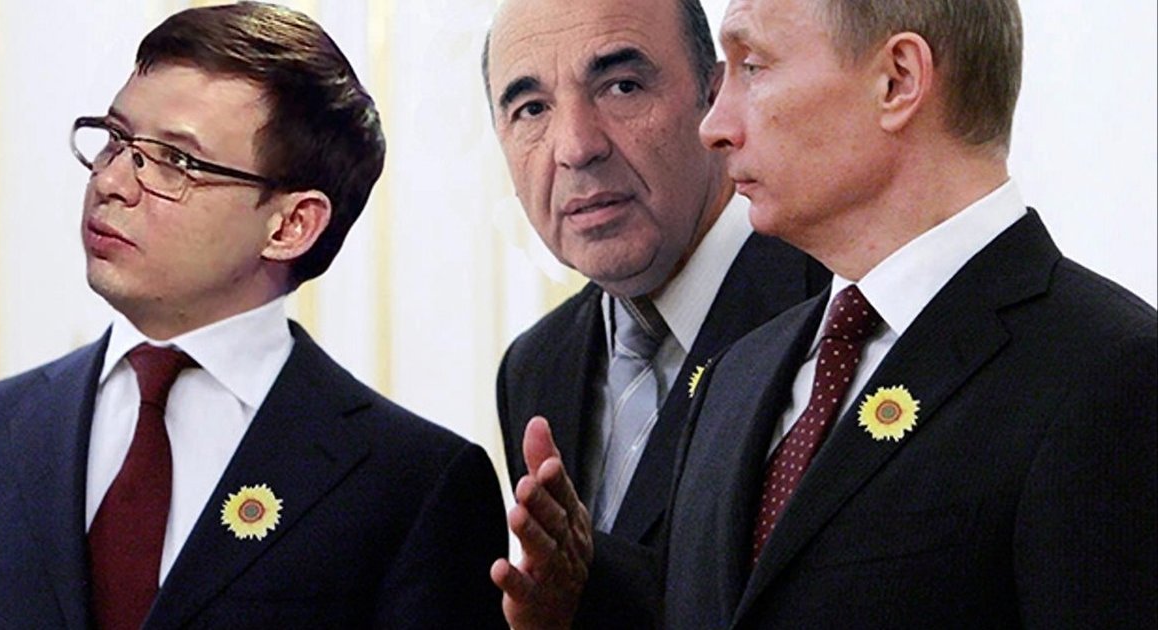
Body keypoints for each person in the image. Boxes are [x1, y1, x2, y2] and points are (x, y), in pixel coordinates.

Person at [493, 0, 1158, 627]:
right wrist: (584, 602)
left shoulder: (1111, 375)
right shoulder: (740, 374)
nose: (714, 126)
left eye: (753, 68)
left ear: (897, 80)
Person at [0, 3, 506, 628]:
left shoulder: (410, 483)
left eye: (176, 161)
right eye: (116, 139)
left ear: (291, 224)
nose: (112, 182)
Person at [484, 0, 828, 576]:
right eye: (532, 109)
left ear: (716, 98)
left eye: (622, 87)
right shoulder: (534, 366)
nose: (575, 147)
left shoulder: (832, 314)